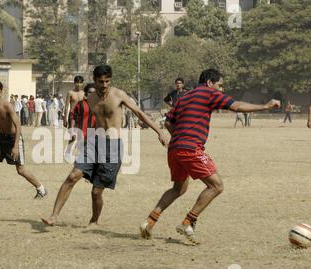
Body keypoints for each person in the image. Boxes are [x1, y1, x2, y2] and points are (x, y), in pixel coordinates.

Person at [139, 69, 280, 245]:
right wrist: (265, 106)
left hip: (174, 149)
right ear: (209, 83)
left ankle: (150, 221)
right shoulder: (209, 93)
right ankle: (188, 222)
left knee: (178, 189)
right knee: (216, 186)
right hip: (190, 149)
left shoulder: (184, 97)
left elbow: (168, 122)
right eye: (219, 85)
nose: (220, 90)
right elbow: (236, 106)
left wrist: (180, 137)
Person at [42, 65, 167, 226]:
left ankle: (94, 221)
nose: (104, 85)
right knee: (72, 176)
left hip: (112, 146)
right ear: (94, 80)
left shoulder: (118, 95)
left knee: (96, 192)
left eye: (107, 81)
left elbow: (139, 113)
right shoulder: (91, 98)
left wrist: (159, 132)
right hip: (94, 142)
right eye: (101, 81)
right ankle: (53, 216)